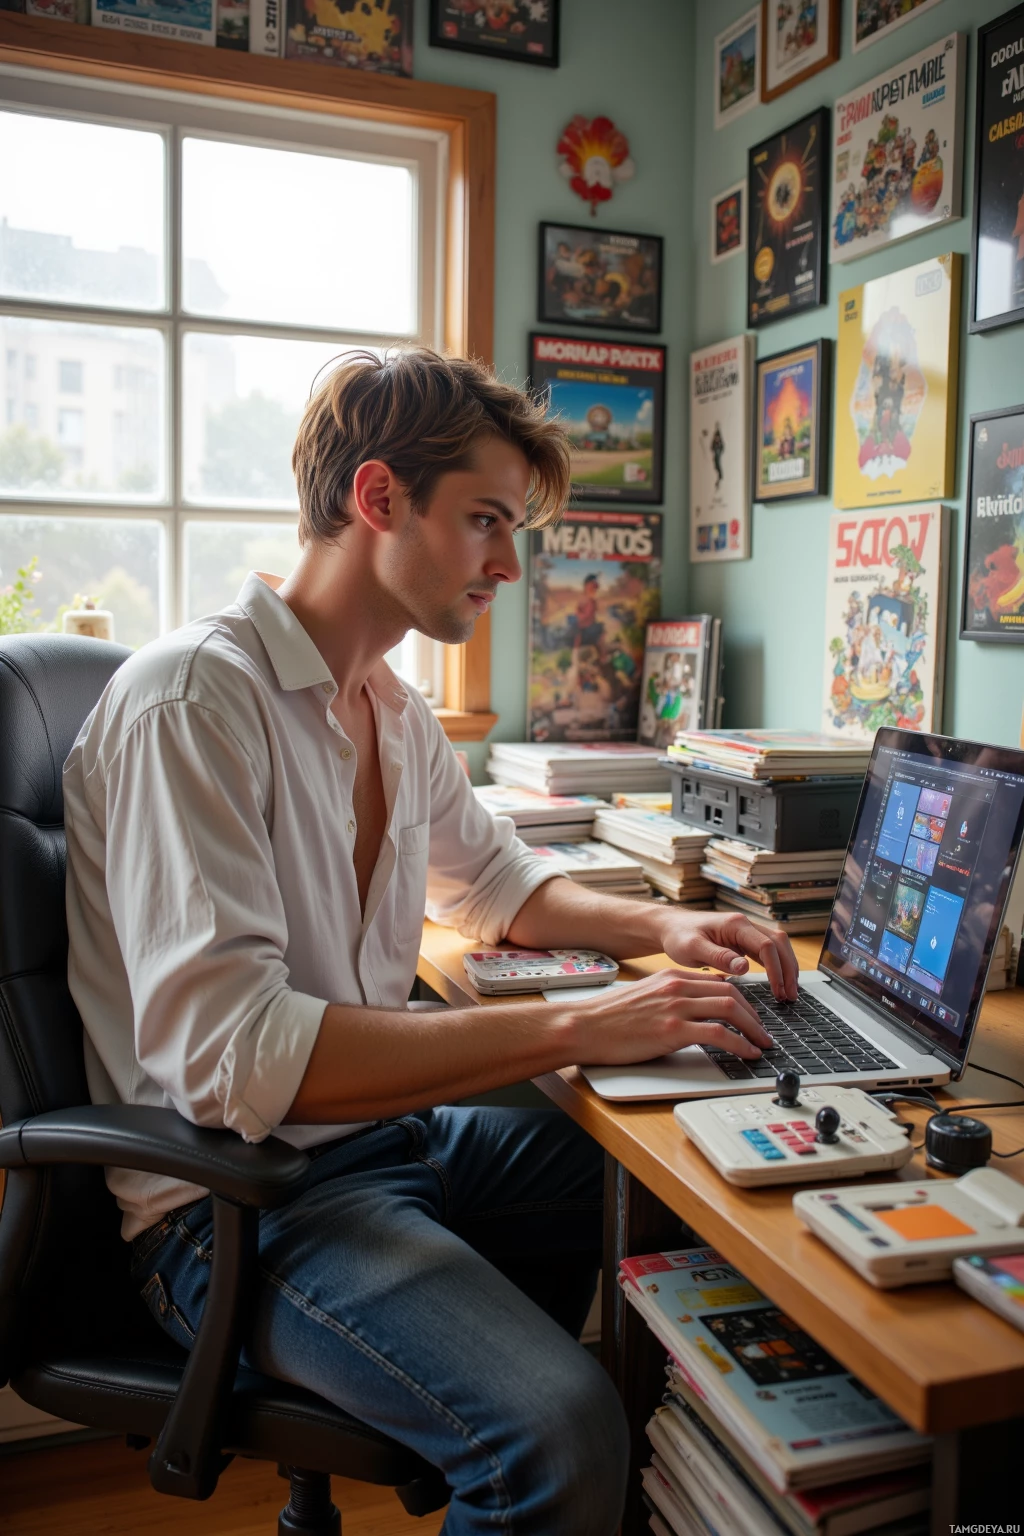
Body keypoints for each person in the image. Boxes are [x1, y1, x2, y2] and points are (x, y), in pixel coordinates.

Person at [63, 346, 795, 1536]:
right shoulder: (193, 702)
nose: (511, 563)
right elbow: (236, 1058)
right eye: (487, 521)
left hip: (378, 1149)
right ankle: (529, 1471)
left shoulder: (389, 709)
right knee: (555, 1432)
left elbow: (500, 885)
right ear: (376, 499)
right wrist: (577, 1022)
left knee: (683, 1170)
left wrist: (668, 922)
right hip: (240, 1208)